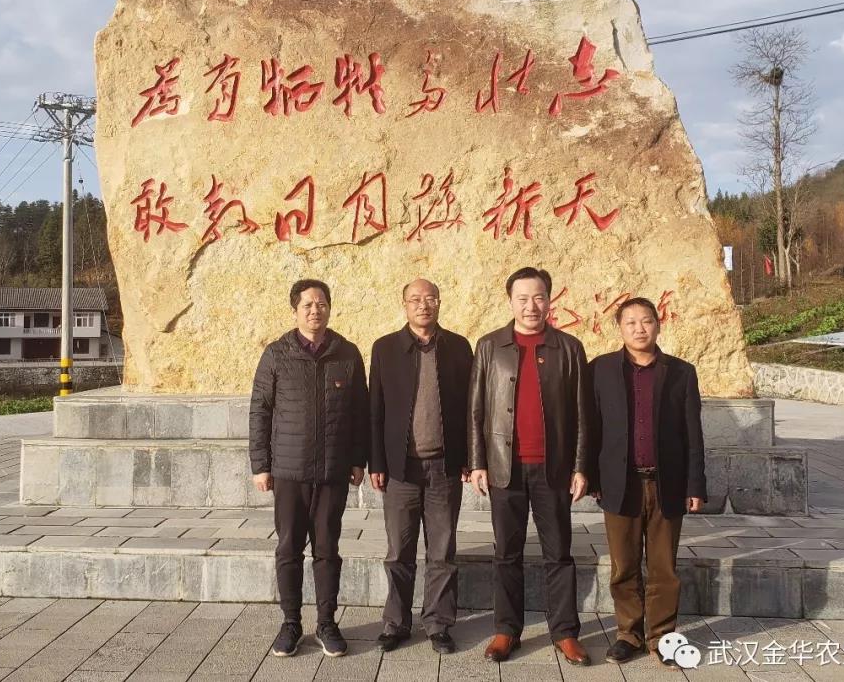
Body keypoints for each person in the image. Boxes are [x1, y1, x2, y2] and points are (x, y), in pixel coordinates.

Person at [468, 266, 594, 667]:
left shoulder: (569, 348)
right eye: (522, 298)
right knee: (507, 552)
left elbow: (583, 413)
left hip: (553, 469)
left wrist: (580, 466)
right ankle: (507, 630)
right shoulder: (489, 346)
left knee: (559, 553)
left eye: (538, 297)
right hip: (504, 468)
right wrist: (477, 463)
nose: (531, 306)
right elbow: (475, 410)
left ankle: (565, 632)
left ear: (549, 300)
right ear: (510, 302)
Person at [249, 279, 369, 659]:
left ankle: (327, 623)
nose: (315, 310)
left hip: (333, 471)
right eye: (308, 305)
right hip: (289, 471)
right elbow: (260, 410)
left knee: (328, 549)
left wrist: (358, 459)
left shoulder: (347, 353)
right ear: (295, 311)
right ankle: (291, 623)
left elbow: (360, 412)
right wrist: (260, 465)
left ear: (329, 308)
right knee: (288, 549)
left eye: (322, 304)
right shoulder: (277, 354)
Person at [590, 297, 706, 668]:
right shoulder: (601, 369)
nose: (639, 329)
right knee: (623, 565)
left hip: (666, 482)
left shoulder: (681, 372)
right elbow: (591, 427)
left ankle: (661, 637)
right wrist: (592, 477)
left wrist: (695, 485)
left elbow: (693, 433)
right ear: (620, 328)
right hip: (620, 483)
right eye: (631, 322)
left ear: (658, 324)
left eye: (646, 321)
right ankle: (628, 634)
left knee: (663, 568)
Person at [368, 278, 474, 654]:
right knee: (399, 551)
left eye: (430, 298)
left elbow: (470, 408)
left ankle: (438, 624)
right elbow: (375, 409)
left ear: (439, 302)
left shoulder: (458, 347)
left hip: (444, 467)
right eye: (415, 299)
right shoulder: (385, 348)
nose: (423, 305)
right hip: (401, 469)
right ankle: (396, 623)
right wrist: (376, 461)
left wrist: (468, 458)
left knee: (442, 552)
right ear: (405, 305)